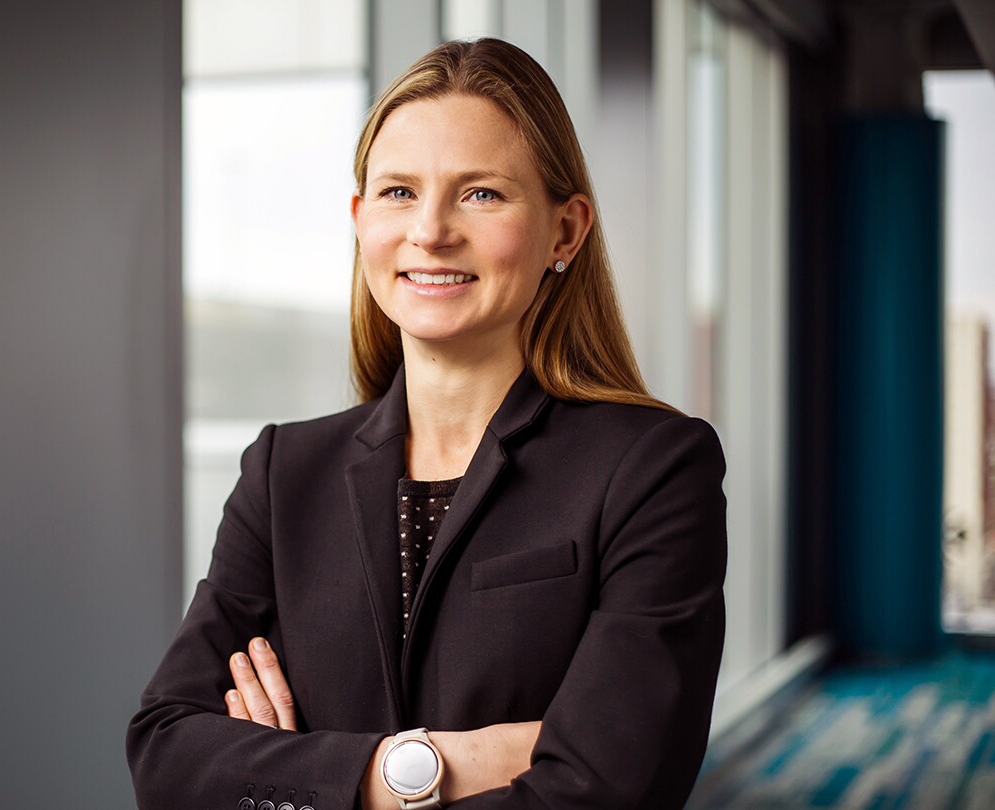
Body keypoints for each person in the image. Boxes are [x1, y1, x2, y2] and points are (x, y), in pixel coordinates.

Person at [128, 38, 726, 809]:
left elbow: (606, 787)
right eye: (399, 193)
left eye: (481, 194)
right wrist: (416, 770)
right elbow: (168, 753)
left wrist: (297, 770)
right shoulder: (284, 472)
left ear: (565, 231)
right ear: (359, 218)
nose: (431, 230)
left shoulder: (653, 469)